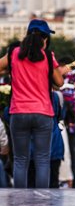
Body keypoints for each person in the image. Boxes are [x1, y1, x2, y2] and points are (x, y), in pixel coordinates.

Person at [0, 20, 66, 188]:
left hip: (19, 112)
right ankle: (42, 199)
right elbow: (59, 82)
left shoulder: (14, 53)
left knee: (21, 160)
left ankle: (20, 199)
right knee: (42, 160)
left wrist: (11, 70)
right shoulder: (48, 57)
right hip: (43, 113)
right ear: (44, 39)